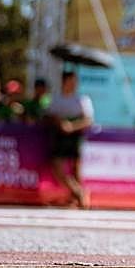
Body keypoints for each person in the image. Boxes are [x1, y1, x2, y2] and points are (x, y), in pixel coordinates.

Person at [46, 70, 95, 208]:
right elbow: (48, 115)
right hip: (59, 136)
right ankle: (78, 193)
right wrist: (59, 122)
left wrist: (72, 126)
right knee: (57, 166)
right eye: (71, 81)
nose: (74, 85)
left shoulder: (82, 99)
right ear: (64, 82)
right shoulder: (55, 99)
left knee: (76, 169)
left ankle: (76, 198)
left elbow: (88, 120)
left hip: (75, 135)